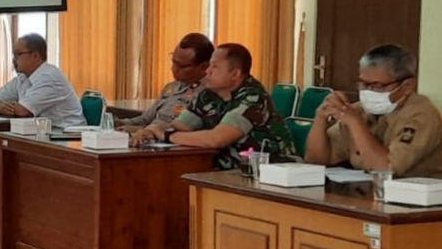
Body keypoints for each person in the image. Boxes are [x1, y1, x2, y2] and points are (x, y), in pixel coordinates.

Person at [134, 42, 296, 169]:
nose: (207, 72)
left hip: (269, 171)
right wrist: (151, 131)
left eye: (215, 67)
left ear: (235, 74)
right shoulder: (209, 93)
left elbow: (216, 139)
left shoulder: (252, 97)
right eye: (209, 65)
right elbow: (181, 125)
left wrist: (168, 136)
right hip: (226, 169)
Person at [305, 44, 442, 178]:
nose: (368, 92)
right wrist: (321, 117)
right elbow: (317, 161)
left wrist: (356, 124)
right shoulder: (360, 110)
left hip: (417, 197)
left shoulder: (421, 115)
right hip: (367, 193)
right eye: (363, 84)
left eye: (378, 86)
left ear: (407, 86)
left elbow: (385, 169)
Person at [0, 33, 87, 128]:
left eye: (18, 54)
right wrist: (2, 107)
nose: (14, 60)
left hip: (68, 133)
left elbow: (22, 111)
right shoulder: (22, 78)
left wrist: (12, 107)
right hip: (45, 131)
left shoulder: (49, 76)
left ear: (35, 55)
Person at [118, 33, 213, 133]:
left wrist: (142, 130)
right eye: (173, 62)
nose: (174, 69)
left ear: (204, 67)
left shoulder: (207, 94)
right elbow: (145, 119)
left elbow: (186, 130)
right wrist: (116, 123)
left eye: (182, 66)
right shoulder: (171, 87)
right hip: (145, 137)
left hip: (168, 143)